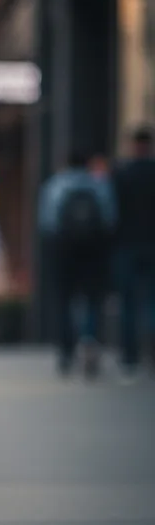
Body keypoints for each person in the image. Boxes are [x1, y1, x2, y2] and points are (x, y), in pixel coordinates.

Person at [39, 149, 116, 377]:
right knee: (92, 299)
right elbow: (110, 219)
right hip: (93, 252)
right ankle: (89, 340)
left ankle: (66, 351)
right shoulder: (98, 185)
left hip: (63, 251)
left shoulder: (55, 185)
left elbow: (47, 222)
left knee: (64, 300)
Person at [111, 125, 155, 381]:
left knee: (128, 303)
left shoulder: (122, 174)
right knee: (151, 302)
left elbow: (111, 213)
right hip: (151, 247)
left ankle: (130, 356)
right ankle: (151, 352)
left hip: (126, 246)